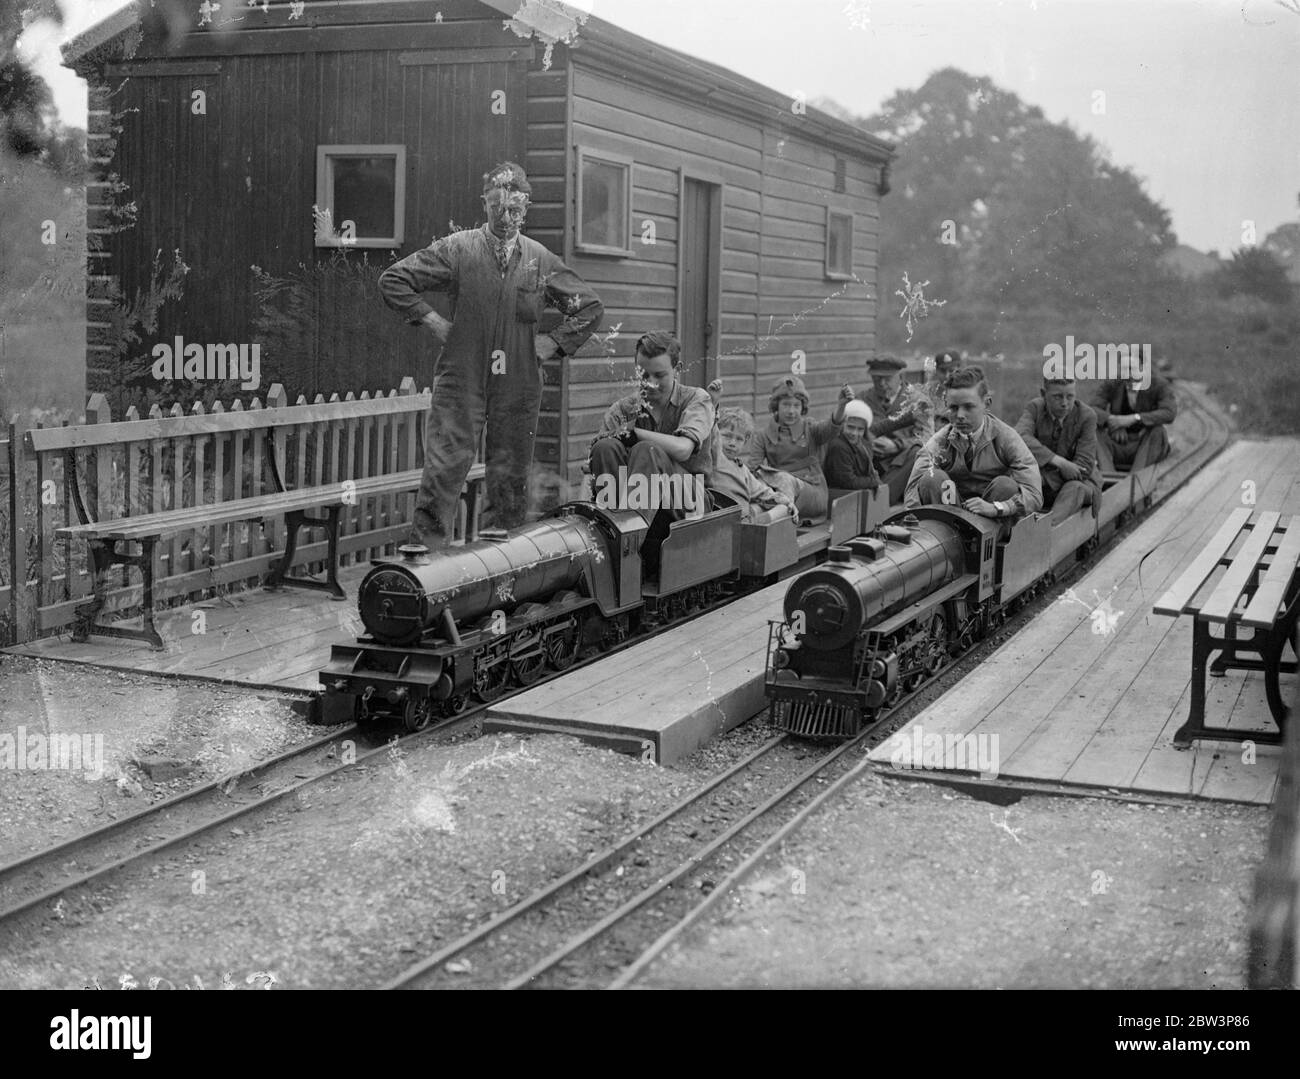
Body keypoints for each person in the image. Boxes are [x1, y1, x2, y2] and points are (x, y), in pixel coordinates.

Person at [379, 161, 604, 549]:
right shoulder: (457, 249)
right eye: (496, 207)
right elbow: (393, 279)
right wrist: (433, 321)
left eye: (514, 209)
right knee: (444, 469)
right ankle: (424, 561)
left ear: (526, 208)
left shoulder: (540, 259)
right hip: (461, 376)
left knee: (510, 477)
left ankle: (502, 564)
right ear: (484, 203)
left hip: (517, 381)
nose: (505, 217)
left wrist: (551, 343)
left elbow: (589, 308)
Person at [588, 331, 716, 523]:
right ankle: (615, 526)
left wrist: (635, 434)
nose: (651, 384)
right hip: (634, 501)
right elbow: (594, 463)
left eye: (659, 375)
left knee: (646, 450)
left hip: (690, 502)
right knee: (605, 447)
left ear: (678, 369)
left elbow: (683, 449)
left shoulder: (696, 399)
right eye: (644, 374)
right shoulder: (623, 409)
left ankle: (630, 535)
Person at [905, 367, 1042, 520]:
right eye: (953, 408)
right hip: (951, 515)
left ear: (987, 403)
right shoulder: (939, 442)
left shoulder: (1007, 438)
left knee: (1005, 485)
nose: (960, 416)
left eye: (969, 407)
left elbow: (1034, 494)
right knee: (932, 478)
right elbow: (912, 492)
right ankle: (953, 534)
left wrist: (997, 507)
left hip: (993, 518)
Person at [747, 375, 855, 522]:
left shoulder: (810, 428)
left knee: (783, 479)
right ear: (776, 406)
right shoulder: (762, 435)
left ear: (802, 407)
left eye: (796, 405)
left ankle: (776, 517)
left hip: (812, 492)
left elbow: (832, 428)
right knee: (759, 478)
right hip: (778, 492)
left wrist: (841, 405)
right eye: (786, 405)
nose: (791, 411)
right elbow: (752, 469)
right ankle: (753, 517)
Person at [1015, 377, 1101, 522]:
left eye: (1070, 396)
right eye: (1057, 397)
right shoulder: (1035, 408)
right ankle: (1018, 527)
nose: (1064, 403)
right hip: (1041, 483)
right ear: (1043, 393)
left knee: (1075, 489)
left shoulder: (1087, 416)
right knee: (1011, 483)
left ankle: (1048, 532)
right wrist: (1059, 462)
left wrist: (1043, 478)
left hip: (1077, 484)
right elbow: (1020, 437)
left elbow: (1083, 468)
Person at [858, 355, 934, 505]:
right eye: (876, 378)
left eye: (887, 379)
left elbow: (927, 439)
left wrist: (897, 445)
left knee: (919, 452)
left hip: (901, 464)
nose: (881, 383)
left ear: (900, 376)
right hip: (871, 463)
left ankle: (878, 500)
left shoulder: (918, 401)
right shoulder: (862, 399)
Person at [710, 406, 798, 523]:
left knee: (783, 508)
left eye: (739, 439)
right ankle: (753, 524)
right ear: (716, 435)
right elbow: (710, 429)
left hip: (743, 513)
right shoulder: (715, 457)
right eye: (727, 436)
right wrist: (714, 401)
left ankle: (754, 523)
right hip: (723, 517)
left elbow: (762, 491)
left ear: (745, 442)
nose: (732, 443)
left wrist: (786, 501)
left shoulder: (741, 468)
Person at [1089, 369, 1177, 473]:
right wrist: (1112, 421)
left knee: (1158, 431)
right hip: (1117, 443)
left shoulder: (1158, 384)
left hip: (1143, 445)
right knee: (1094, 429)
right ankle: (1108, 477)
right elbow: (1092, 408)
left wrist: (1135, 418)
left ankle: (1136, 478)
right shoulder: (1113, 382)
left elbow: (1169, 412)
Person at [823, 399, 879, 492]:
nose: (854, 433)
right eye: (850, 427)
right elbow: (848, 482)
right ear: (842, 425)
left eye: (860, 429)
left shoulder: (863, 445)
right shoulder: (838, 446)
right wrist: (873, 482)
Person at [925, 349, 962, 415]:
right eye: (942, 371)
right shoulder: (928, 391)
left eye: (951, 371)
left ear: (959, 370)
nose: (947, 376)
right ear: (936, 370)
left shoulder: (968, 391)